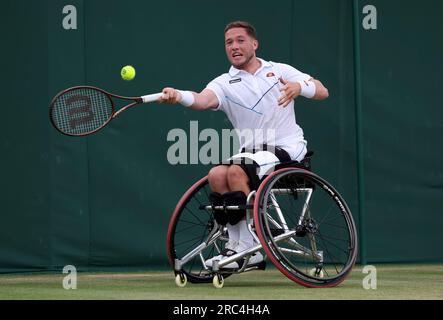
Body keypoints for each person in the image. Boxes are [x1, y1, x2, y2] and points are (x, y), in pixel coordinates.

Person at [159, 21, 329, 270]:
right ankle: (237, 244)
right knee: (217, 173)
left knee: (237, 170)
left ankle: (251, 247)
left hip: (288, 148)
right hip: (251, 154)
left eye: (240, 40)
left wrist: (300, 87)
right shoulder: (224, 83)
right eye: (229, 42)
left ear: (254, 44)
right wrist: (178, 95)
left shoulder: (279, 70)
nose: (234, 46)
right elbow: (201, 100)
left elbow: (322, 90)